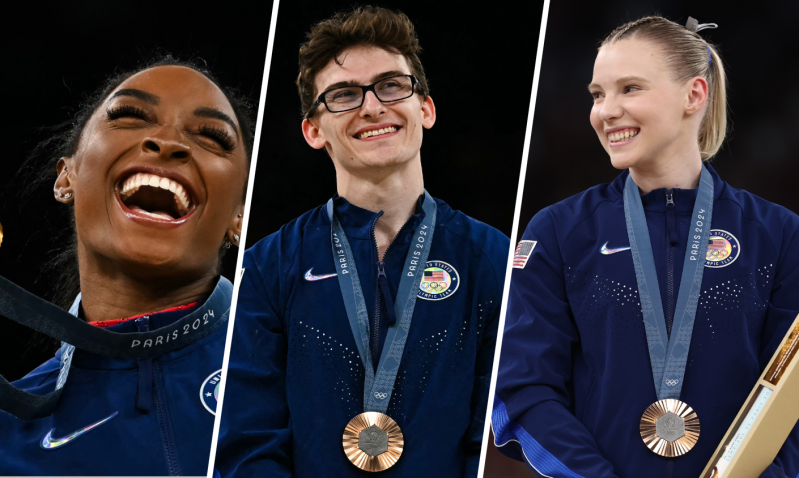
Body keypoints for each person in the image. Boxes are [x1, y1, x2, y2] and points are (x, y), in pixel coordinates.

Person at [492, 16, 799, 478]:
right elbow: (524, 388)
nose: (605, 111)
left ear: (694, 95)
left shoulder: (778, 233)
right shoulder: (558, 230)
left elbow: (792, 398)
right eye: (597, 94)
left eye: (629, 89)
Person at [215, 6, 509, 477]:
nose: (373, 107)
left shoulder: (493, 258)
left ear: (425, 108)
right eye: (345, 95)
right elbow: (246, 439)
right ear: (314, 131)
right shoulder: (267, 267)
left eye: (392, 86)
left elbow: (496, 435)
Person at [0, 57, 253, 475]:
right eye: (129, 116)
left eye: (212, 137)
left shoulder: (305, 365)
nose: (167, 142)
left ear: (239, 216)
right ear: (65, 178)